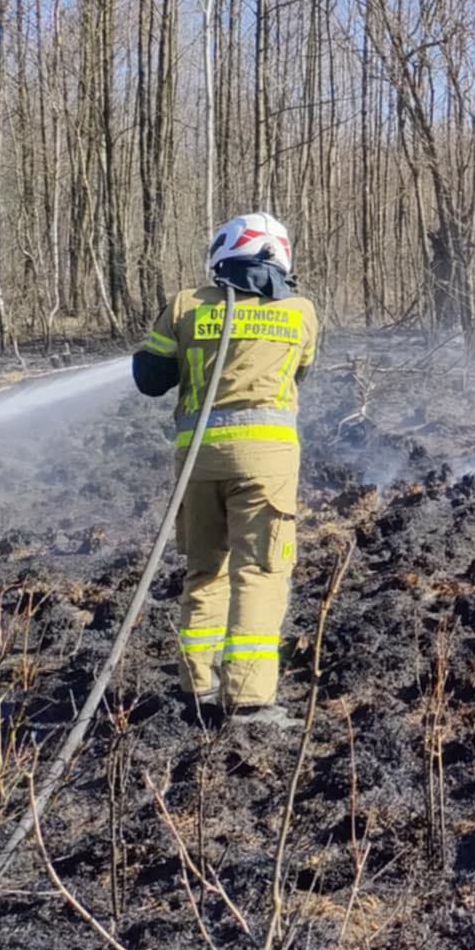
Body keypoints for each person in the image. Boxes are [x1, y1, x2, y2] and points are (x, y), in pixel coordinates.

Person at [132, 213, 320, 727]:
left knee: (204, 570)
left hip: (198, 462)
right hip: (266, 465)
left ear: (222, 253)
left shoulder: (185, 305)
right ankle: (248, 698)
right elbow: (301, 371)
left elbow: (150, 379)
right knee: (259, 571)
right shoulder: (299, 311)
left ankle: (197, 684)